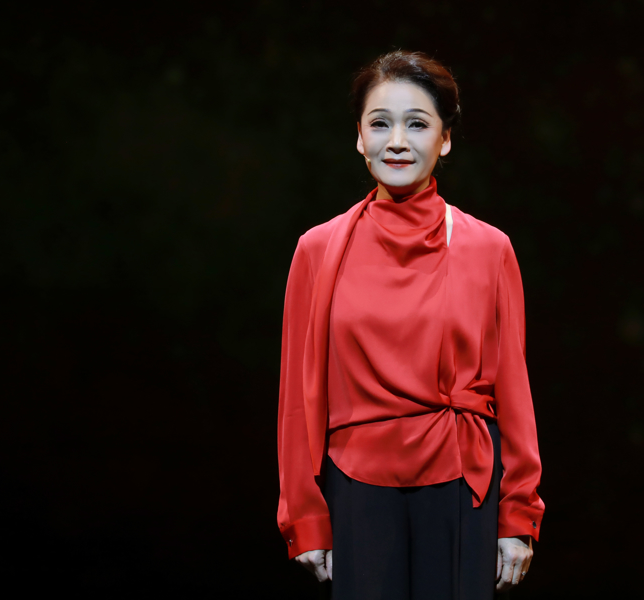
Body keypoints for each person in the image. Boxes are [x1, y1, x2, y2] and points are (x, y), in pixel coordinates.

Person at [277, 50, 545, 600]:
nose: (396, 141)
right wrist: (303, 514)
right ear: (359, 137)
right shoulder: (318, 249)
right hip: (355, 482)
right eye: (380, 124)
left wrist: (518, 511)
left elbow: (514, 388)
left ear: (444, 139)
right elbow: (298, 398)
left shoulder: (488, 248)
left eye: (417, 124)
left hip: (461, 480)